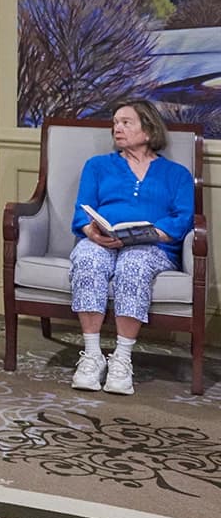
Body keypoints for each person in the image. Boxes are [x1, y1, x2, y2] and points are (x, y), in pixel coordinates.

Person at [67, 100, 195, 395]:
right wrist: (92, 232)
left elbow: (183, 218)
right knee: (87, 258)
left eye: (126, 122)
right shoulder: (97, 166)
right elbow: (81, 211)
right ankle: (92, 355)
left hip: (152, 247)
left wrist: (148, 234)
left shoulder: (176, 175)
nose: (117, 128)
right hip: (103, 240)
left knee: (133, 265)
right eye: (115, 122)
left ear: (148, 131)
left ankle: (122, 360)